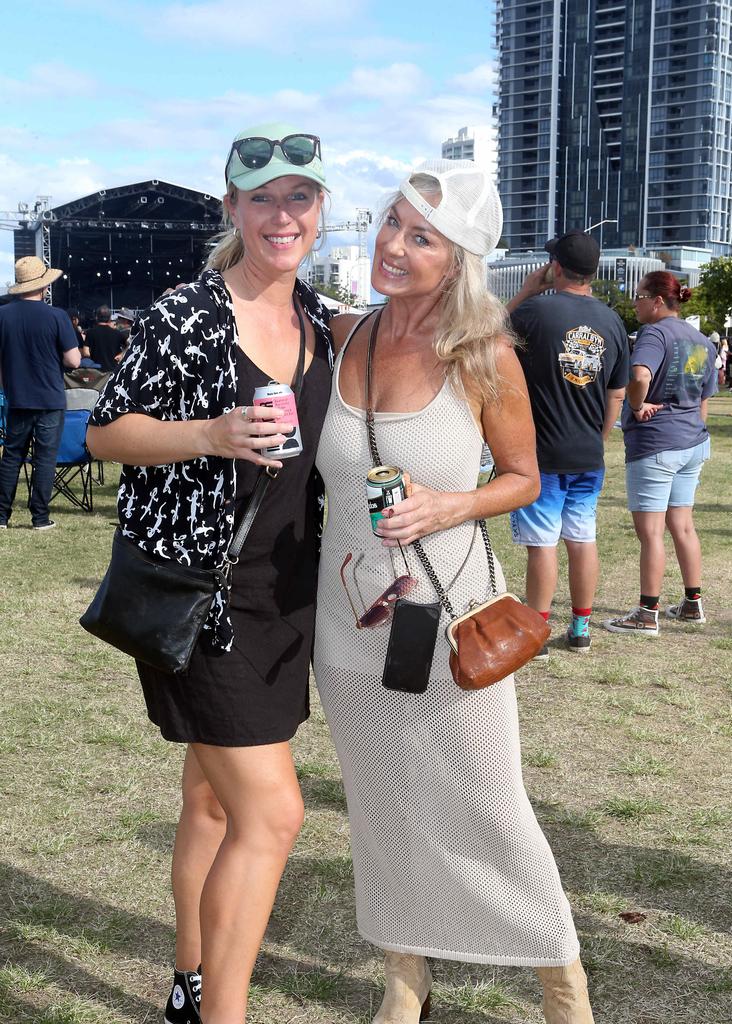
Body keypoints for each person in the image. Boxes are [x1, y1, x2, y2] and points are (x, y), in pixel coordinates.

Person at [313, 161, 595, 1024]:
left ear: (456, 259)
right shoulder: (343, 336)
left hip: (450, 619)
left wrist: (450, 502)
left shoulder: (484, 355)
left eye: (420, 236)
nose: (392, 245)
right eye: (392, 222)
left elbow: (522, 477)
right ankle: (407, 975)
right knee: (381, 803)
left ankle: (561, 981)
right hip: (348, 621)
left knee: (489, 803)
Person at [86, 122, 333, 1024]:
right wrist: (209, 433)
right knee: (272, 817)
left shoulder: (316, 324)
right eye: (261, 198)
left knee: (213, 798)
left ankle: (190, 982)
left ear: (320, 212)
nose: (281, 214)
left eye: (298, 198)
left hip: (284, 597)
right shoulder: (188, 313)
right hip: (204, 600)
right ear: (232, 207)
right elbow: (108, 431)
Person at [505, 230, 629, 657]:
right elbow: (617, 391)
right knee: (582, 539)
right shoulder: (612, 320)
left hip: (543, 453)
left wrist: (523, 293)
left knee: (543, 545)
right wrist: (600, 435)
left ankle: (536, 633)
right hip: (587, 453)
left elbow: (483, 341)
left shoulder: (534, 312)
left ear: (554, 267)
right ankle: (579, 627)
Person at [604, 272, 717, 636]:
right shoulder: (701, 339)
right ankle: (691, 603)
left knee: (650, 532)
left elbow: (638, 376)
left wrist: (636, 407)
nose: (634, 303)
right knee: (682, 525)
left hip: (657, 443)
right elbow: (704, 399)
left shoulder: (654, 333)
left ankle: (646, 613)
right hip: (692, 442)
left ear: (656, 301)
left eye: (638, 296)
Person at [0, 256, 81, 530]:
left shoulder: (3, 315)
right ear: (44, 286)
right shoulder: (57, 316)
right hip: (49, 397)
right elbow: (74, 361)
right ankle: (40, 518)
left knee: (12, 456)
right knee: (45, 459)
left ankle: (1, 516)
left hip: (18, 397)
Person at [83, 304, 124, 371]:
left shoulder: (90, 333)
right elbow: (130, 344)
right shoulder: (117, 333)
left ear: (96, 317)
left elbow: (85, 353)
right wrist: (122, 354)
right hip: (112, 371)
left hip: (97, 372)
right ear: (110, 318)